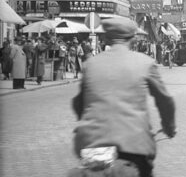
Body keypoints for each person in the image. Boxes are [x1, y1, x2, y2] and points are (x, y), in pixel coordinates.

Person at [71, 17, 175, 176]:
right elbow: (164, 100)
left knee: (95, 173)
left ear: (106, 37)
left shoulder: (90, 64)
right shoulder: (145, 62)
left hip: (94, 145)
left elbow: (78, 103)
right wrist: (169, 127)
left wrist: (87, 123)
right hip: (133, 145)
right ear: (133, 38)